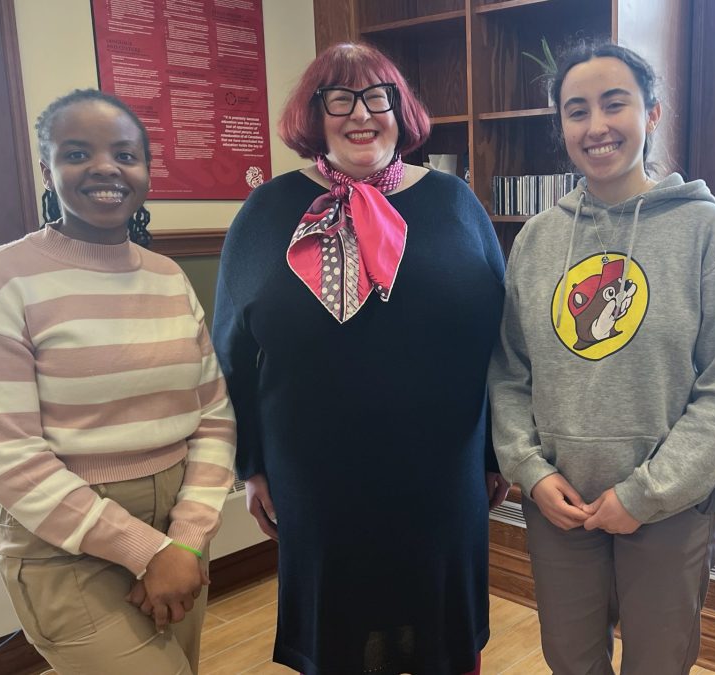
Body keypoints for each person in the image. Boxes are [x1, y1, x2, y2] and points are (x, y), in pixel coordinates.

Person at [212, 43, 508, 675]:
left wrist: (494, 453)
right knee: (342, 638)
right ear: (312, 114)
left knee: (443, 638)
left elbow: (498, 341)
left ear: (401, 110)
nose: (361, 114)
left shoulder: (457, 204)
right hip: (318, 478)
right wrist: (251, 467)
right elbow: (231, 353)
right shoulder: (264, 214)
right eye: (338, 98)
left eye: (379, 97)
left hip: (443, 470)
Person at [488, 42, 715, 675]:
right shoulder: (537, 239)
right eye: (576, 110)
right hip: (559, 502)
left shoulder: (709, 234)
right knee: (571, 659)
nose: (597, 126)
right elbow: (509, 370)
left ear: (653, 113)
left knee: (659, 663)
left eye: (616, 104)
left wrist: (648, 492)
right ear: (561, 127)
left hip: (668, 506)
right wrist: (530, 469)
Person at [0, 88, 237, 673]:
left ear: (146, 171)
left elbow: (213, 415)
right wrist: (146, 549)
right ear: (48, 170)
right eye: (78, 153)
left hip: (181, 524)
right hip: (64, 545)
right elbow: (7, 456)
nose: (106, 167)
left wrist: (183, 539)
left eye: (126, 155)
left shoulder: (167, 277)